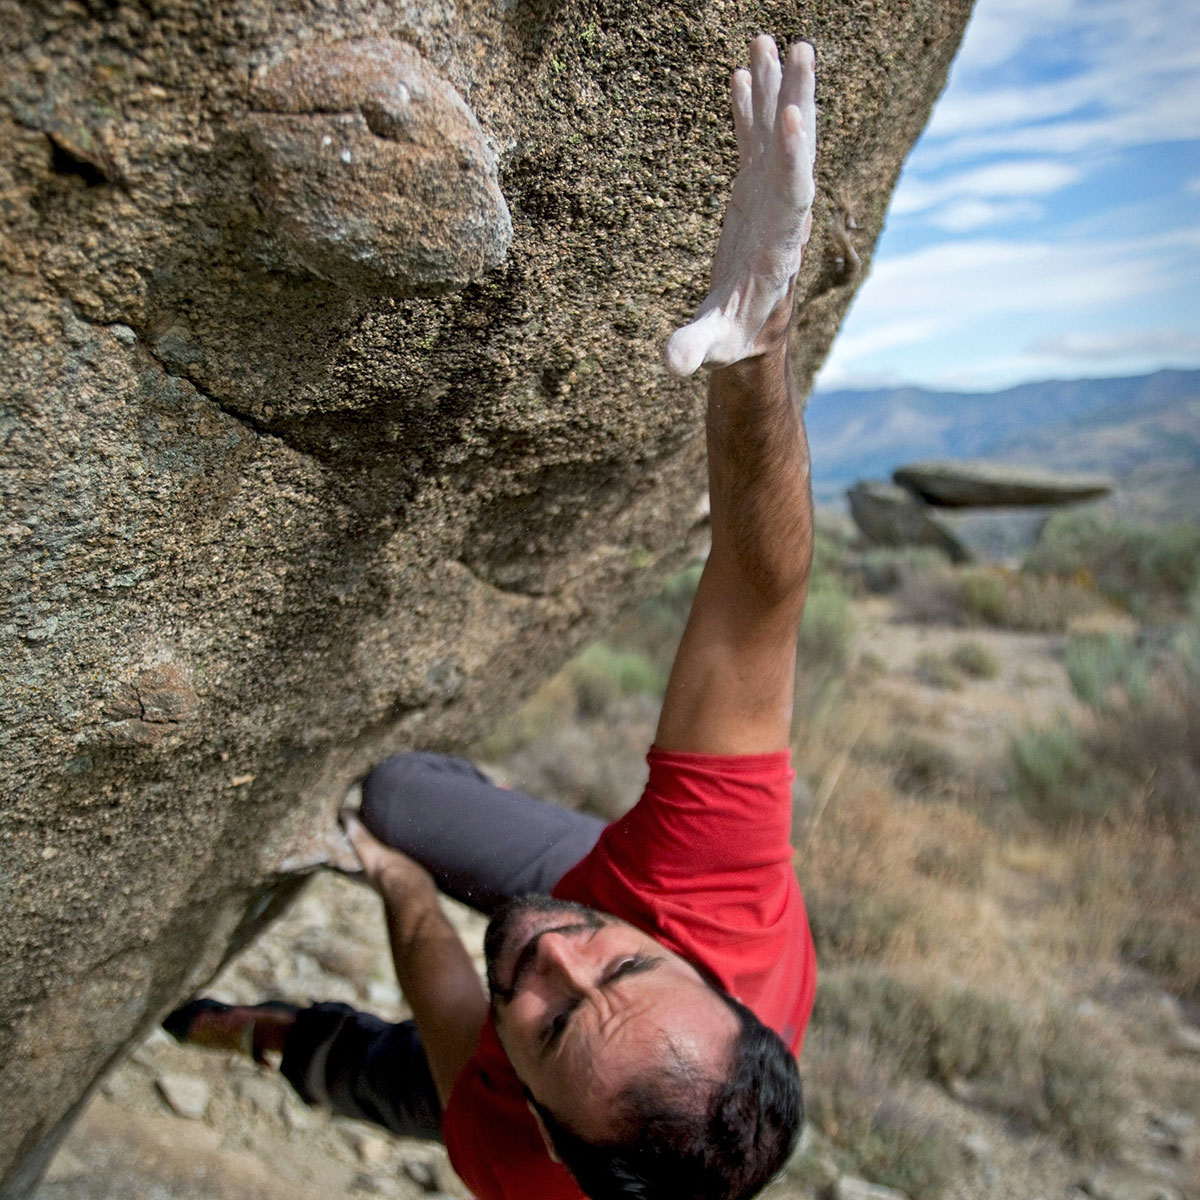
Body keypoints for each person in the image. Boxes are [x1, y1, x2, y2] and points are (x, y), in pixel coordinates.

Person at [165, 34, 820, 1200]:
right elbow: (756, 597)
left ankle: (247, 1031)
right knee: (401, 797)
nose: (553, 952)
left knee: (377, 1066)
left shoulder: (513, 1161)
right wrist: (755, 353)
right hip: (642, 898)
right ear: (696, 971)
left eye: (556, 1023)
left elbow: (452, 996)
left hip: (486, 1087)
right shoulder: (708, 904)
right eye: (615, 963)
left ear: (547, 1129)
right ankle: (429, 860)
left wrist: (396, 886)